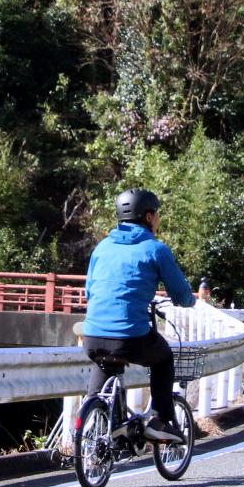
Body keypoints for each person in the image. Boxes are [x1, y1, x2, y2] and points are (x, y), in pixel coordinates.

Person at [80, 187, 196, 443]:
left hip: (91, 336)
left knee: (105, 363)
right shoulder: (155, 249)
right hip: (129, 338)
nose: (158, 219)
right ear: (147, 216)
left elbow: (89, 292)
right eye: (156, 214)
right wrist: (188, 302)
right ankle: (160, 420)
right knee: (163, 358)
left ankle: (97, 424)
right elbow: (181, 294)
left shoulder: (101, 248)